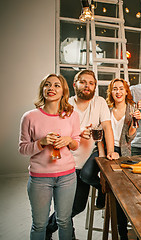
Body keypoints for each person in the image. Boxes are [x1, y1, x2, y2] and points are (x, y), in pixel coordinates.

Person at [46, 70, 119, 239]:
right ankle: (51, 231)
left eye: (91, 83)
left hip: (87, 161)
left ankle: (49, 229)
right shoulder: (65, 104)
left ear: (95, 86)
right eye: (83, 82)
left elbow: (107, 127)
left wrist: (110, 151)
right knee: (69, 207)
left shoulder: (99, 102)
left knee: (78, 206)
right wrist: (78, 133)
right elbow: (57, 132)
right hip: (67, 163)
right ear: (75, 84)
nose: (87, 86)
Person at [19, 74, 81, 240]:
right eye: (47, 85)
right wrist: (42, 142)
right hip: (39, 179)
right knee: (39, 225)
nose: (51, 88)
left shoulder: (72, 115)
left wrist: (69, 141)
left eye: (56, 85)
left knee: (65, 221)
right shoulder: (29, 117)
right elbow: (23, 149)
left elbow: (77, 143)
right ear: (43, 89)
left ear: (63, 92)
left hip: (67, 177)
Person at [81, 78, 141, 239]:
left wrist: (135, 124)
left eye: (121, 89)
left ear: (126, 91)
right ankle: (103, 191)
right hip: (103, 147)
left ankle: (121, 232)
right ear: (111, 92)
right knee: (86, 174)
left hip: (122, 151)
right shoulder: (106, 108)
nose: (118, 92)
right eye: (115, 89)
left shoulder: (132, 109)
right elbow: (98, 134)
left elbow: (130, 138)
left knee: (119, 192)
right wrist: (102, 154)